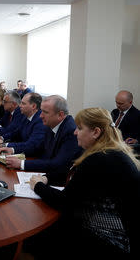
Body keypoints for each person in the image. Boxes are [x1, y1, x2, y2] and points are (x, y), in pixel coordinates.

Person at [28, 108, 140, 259]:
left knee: (37, 236)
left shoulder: (100, 159)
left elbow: (64, 201)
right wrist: (47, 177)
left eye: (80, 128)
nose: (75, 132)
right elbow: (73, 171)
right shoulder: (111, 151)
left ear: (96, 132)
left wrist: (37, 185)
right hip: (119, 232)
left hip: (110, 240)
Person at [4, 95, 82, 184]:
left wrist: (22, 164)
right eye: (41, 111)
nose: (40, 116)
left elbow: (58, 164)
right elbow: (38, 147)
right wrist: (13, 150)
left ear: (60, 115)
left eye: (45, 112)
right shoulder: (51, 124)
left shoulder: (71, 131)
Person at [0, 93, 46, 157]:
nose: (20, 106)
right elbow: (16, 132)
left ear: (33, 106)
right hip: (23, 152)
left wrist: (5, 145)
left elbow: (31, 145)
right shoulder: (26, 116)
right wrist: (2, 138)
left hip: (33, 157)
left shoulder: (40, 121)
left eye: (23, 103)